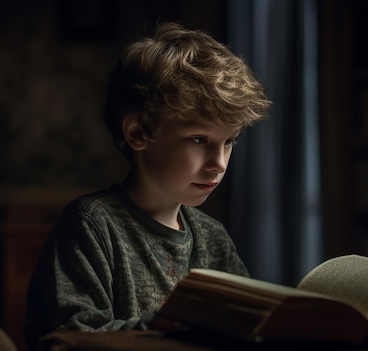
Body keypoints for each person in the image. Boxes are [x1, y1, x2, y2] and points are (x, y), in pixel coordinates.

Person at [23, 21, 271, 350]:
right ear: (138, 133)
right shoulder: (92, 225)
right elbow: (71, 336)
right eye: (199, 139)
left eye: (229, 142)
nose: (219, 163)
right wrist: (166, 324)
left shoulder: (214, 240)